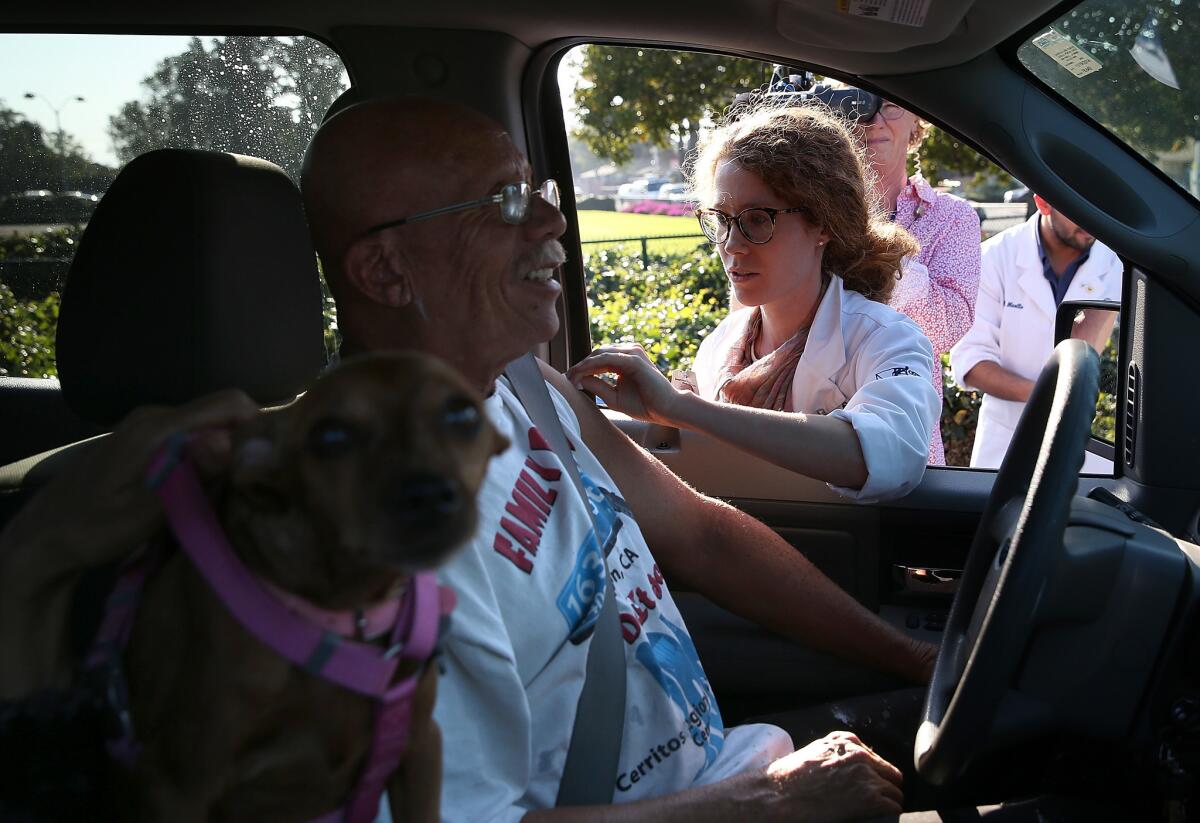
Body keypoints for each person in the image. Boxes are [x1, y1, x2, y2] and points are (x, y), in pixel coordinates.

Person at [299, 97, 936, 822]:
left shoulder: (525, 388)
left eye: (531, 192)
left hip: (726, 762)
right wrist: (769, 802)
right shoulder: (374, 531)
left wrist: (914, 657)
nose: (552, 222)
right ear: (386, 271)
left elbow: (704, 536)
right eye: (503, 203)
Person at [572, 105, 940, 504]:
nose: (731, 245)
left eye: (758, 219)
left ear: (823, 223)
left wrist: (681, 408)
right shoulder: (720, 346)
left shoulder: (887, 339)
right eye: (722, 219)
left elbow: (891, 454)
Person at [949, 194, 1121, 469]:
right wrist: (1051, 397)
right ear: (1043, 204)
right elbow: (972, 363)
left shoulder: (1116, 265)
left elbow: (1087, 352)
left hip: (1088, 450)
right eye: (1078, 207)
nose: (1090, 219)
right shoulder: (994, 257)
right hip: (1005, 442)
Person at [861, 96, 982, 466]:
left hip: (903, 441)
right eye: (861, 103)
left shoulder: (953, 218)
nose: (876, 119)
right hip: (804, 429)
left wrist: (883, 259)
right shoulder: (802, 212)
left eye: (891, 105)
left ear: (917, 122)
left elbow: (947, 326)